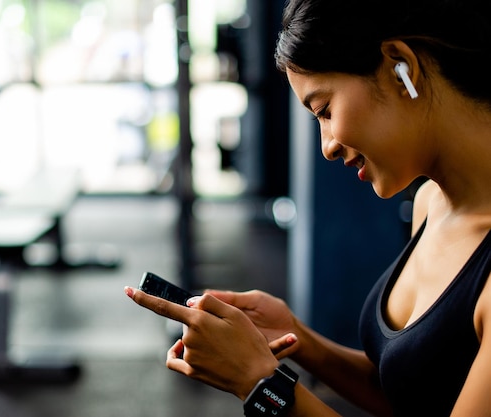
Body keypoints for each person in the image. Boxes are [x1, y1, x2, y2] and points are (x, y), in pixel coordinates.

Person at [125, 0, 491, 415]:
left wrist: (261, 385)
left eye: (325, 110)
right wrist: (297, 337)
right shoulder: (430, 203)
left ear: (400, 65)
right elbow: (415, 393)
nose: (328, 145)